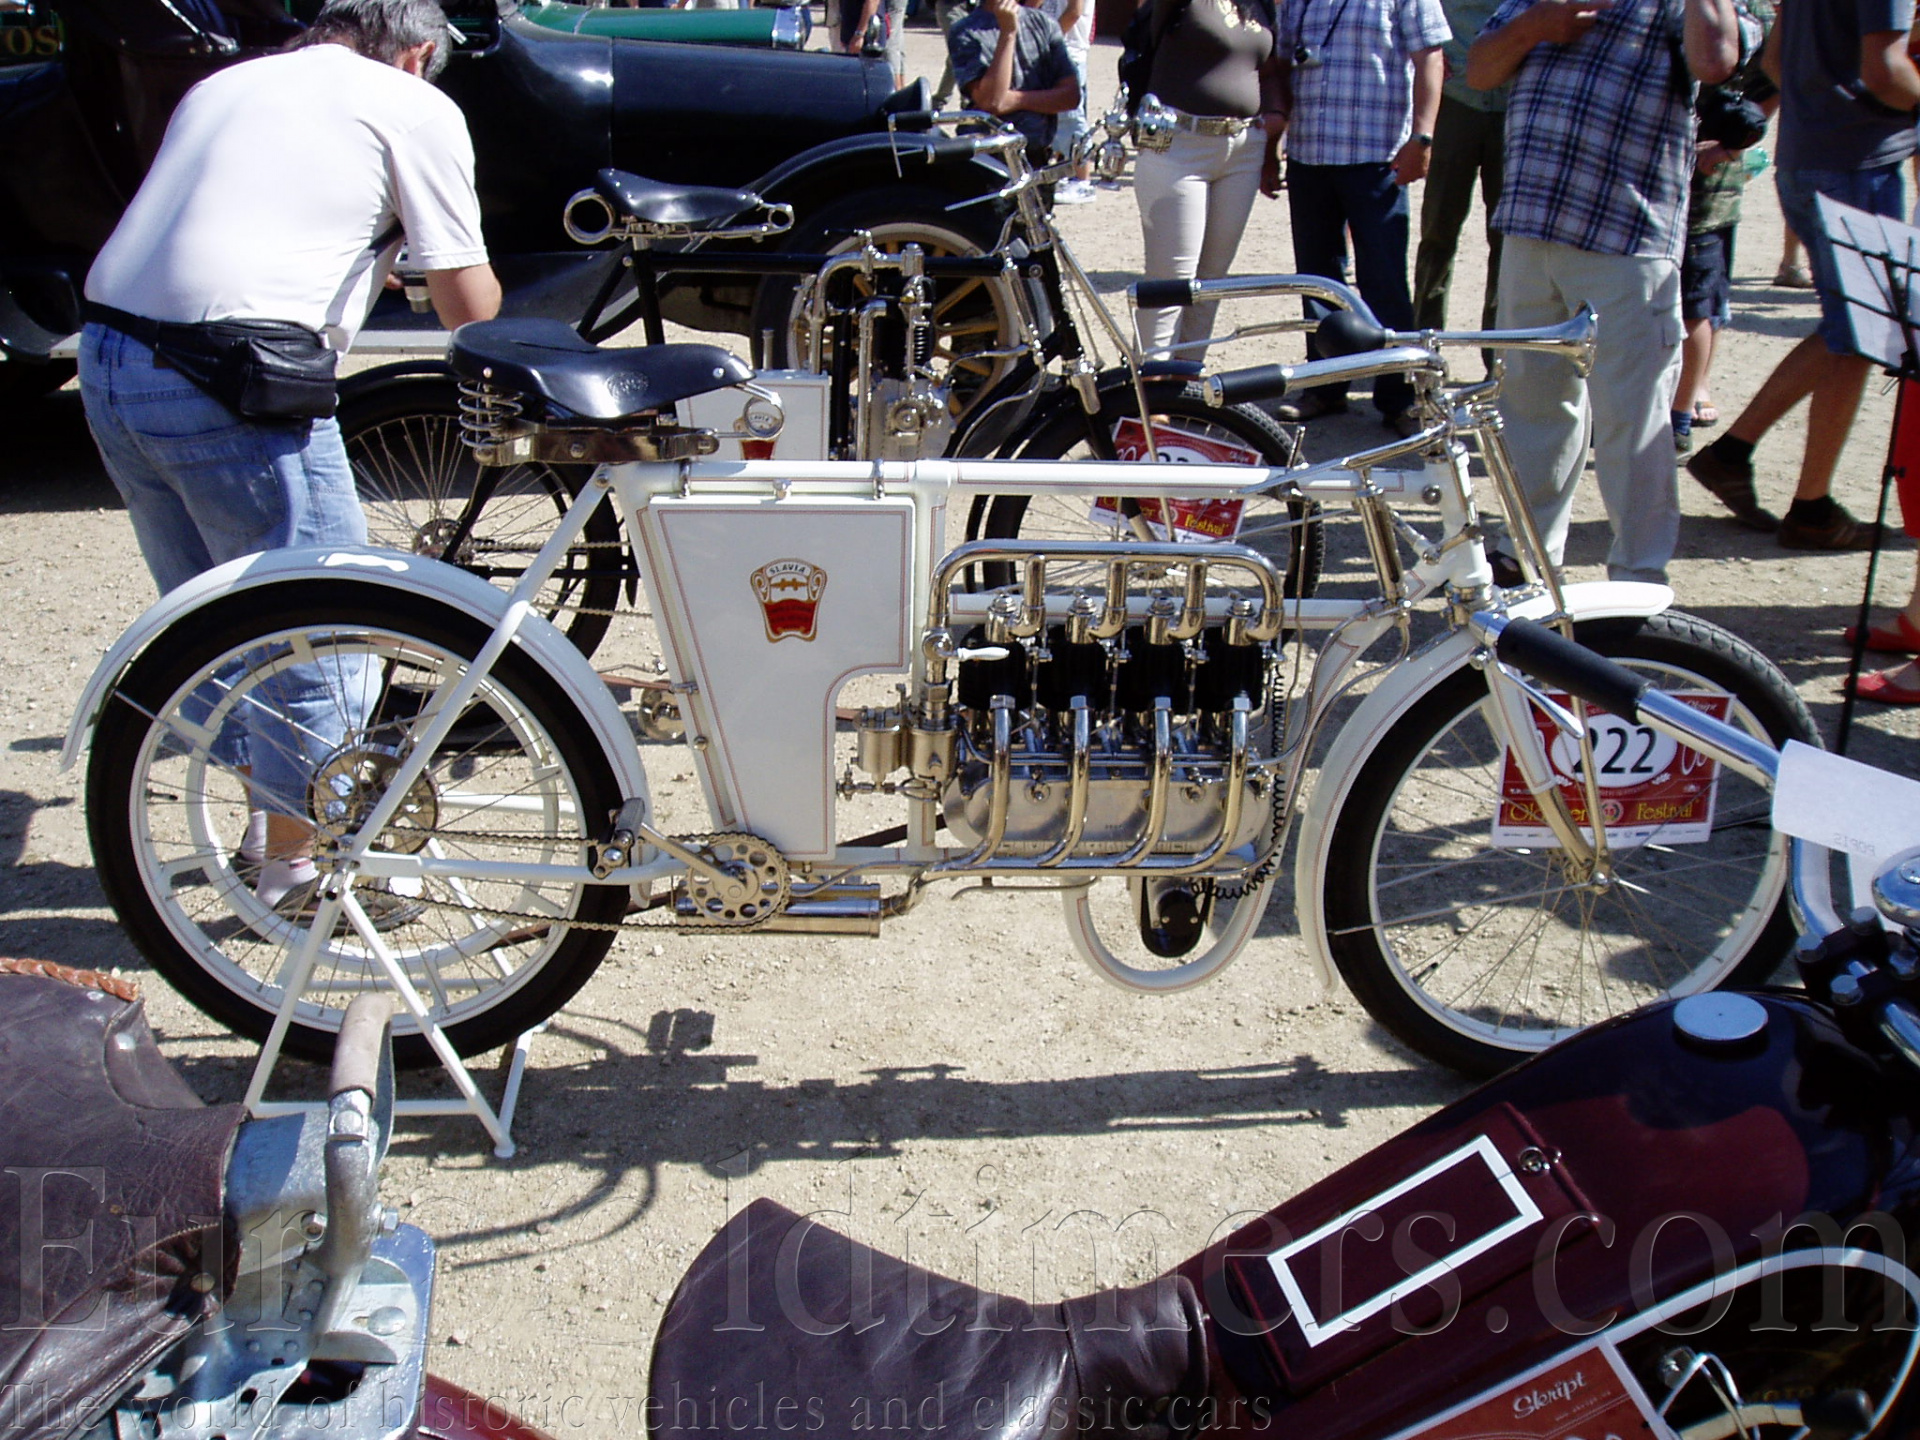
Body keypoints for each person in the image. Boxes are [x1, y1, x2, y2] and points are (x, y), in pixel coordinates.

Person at [79, 0, 501, 922]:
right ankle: (304, 872)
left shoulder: (227, 82)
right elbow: (470, 310)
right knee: (326, 631)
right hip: (233, 378)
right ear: (418, 53)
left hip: (109, 357)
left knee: (220, 626)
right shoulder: (413, 105)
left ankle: (267, 831)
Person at [1466, 0, 1753, 587]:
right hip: (1531, 223)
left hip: (1627, 239)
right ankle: (1526, 555)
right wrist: (1533, 26)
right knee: (1532, 406)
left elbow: (1717, 61)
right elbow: (1480, 70)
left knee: (1633, 419)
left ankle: (1638, 578)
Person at [1686, 2, 1920, 549]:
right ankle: (1804, 503)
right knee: (1858, 333)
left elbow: (1776, 59)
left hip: (1809, 155)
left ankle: (1742, 459)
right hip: (1857, 163)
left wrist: (1823, 102)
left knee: (1853, 333)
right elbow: (1885, 70)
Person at [1270, 0, 1448, 434]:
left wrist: (1422, 137)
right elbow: (1280, 65)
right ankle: (1325, 387)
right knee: (1317, 282)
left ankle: (1399, 399)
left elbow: (1431, 57)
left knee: (1384, 282)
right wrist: (1274, 141)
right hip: (1309, 155)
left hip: (1377, 158)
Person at [1131, 0, 1287, 362]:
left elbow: (1268, 69)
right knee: (1171, 282)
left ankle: (1185, 381)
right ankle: (1151, 388)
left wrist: (1276, 116)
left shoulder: (1261, 4)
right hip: (1179, 143)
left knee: (1211, 283)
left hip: (1243, 148)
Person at [1672, 5, 1775, 455]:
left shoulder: (1752, 11)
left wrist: (1730, 148)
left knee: (1697, 303)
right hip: (1658, 178)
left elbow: (1773, 83)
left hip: (1708, 189)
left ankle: (1679, 413)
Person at [1411, 0, 1508, 336]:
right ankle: (1425, 337)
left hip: (1513, 102)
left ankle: (1498, 350)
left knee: (1506, 239)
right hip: (1456, 101)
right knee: (1438, 228)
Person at [947, 0, 1080, 161]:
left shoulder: (1044, 23)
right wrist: (1008, 33)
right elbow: (992, 101)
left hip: (1035, 154)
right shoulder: (965, 31)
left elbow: (1071, 96)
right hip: (987, 156)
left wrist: (1016, 100)